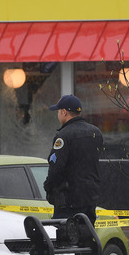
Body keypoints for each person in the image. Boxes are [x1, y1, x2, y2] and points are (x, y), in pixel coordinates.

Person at [43, 94, 103, 225]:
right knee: (87, 238)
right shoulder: (95, 133)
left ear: (64, 112)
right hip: (90, 198)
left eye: (58, 111)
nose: (58, 115)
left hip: (69, 201)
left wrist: (48, 186)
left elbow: (56, 168)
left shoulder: (64, 136)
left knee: (66, 240)